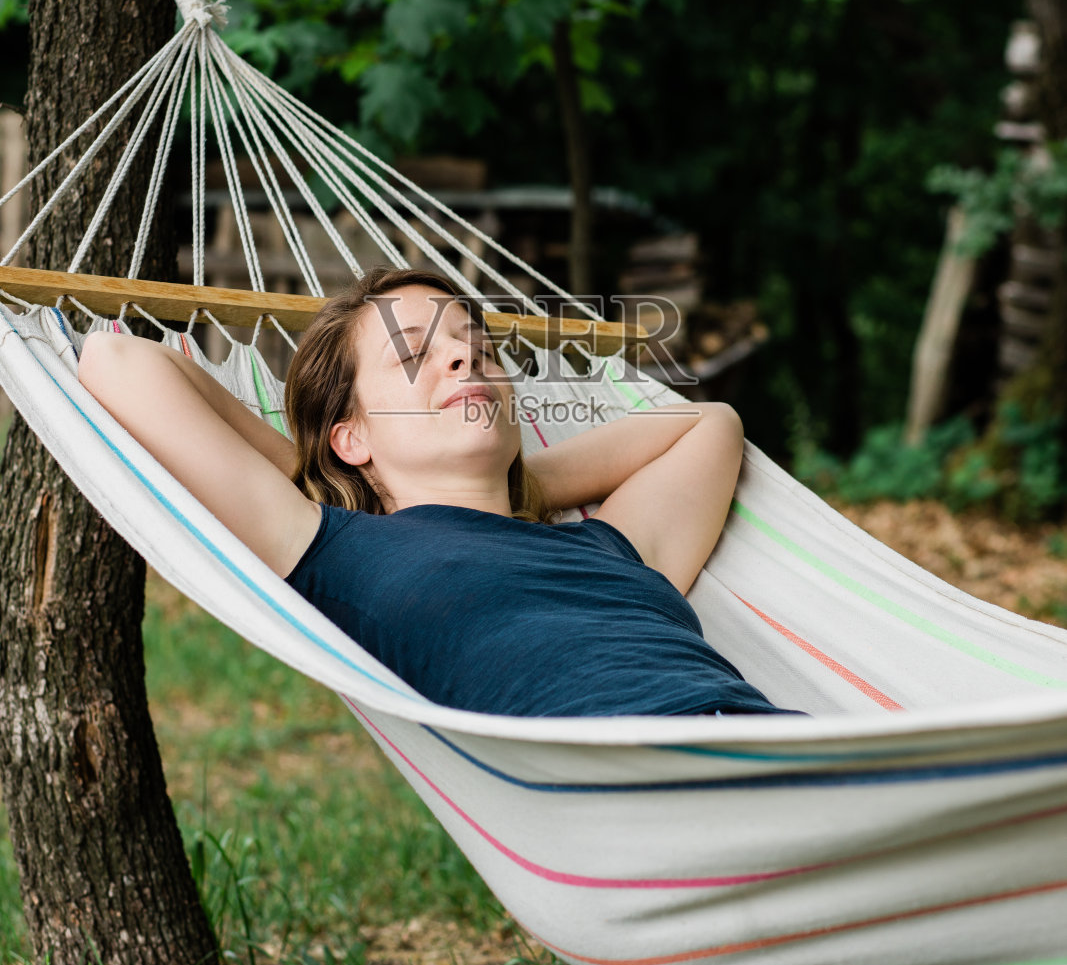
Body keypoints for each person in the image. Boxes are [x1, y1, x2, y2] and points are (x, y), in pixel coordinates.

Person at [78, 266, 790, 719]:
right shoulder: (333, 549)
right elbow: (116, 360)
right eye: (416, 353)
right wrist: (319, 475)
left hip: (776, 745)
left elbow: (710, 424)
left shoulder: (607, 545)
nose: (464, 355)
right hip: (643, 778)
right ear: (351, 436)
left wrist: (520, 483)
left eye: (479, 348)